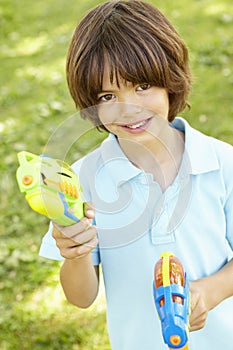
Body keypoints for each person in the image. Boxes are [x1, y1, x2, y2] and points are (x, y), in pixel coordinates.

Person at [39, 1, 233, 349]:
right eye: (107, 95)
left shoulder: (223, 163)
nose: (128, 108)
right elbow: (81, 297)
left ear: (170, 79)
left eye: (142, 86)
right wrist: (75, 252)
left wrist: (211, 290)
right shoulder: (81, 180)